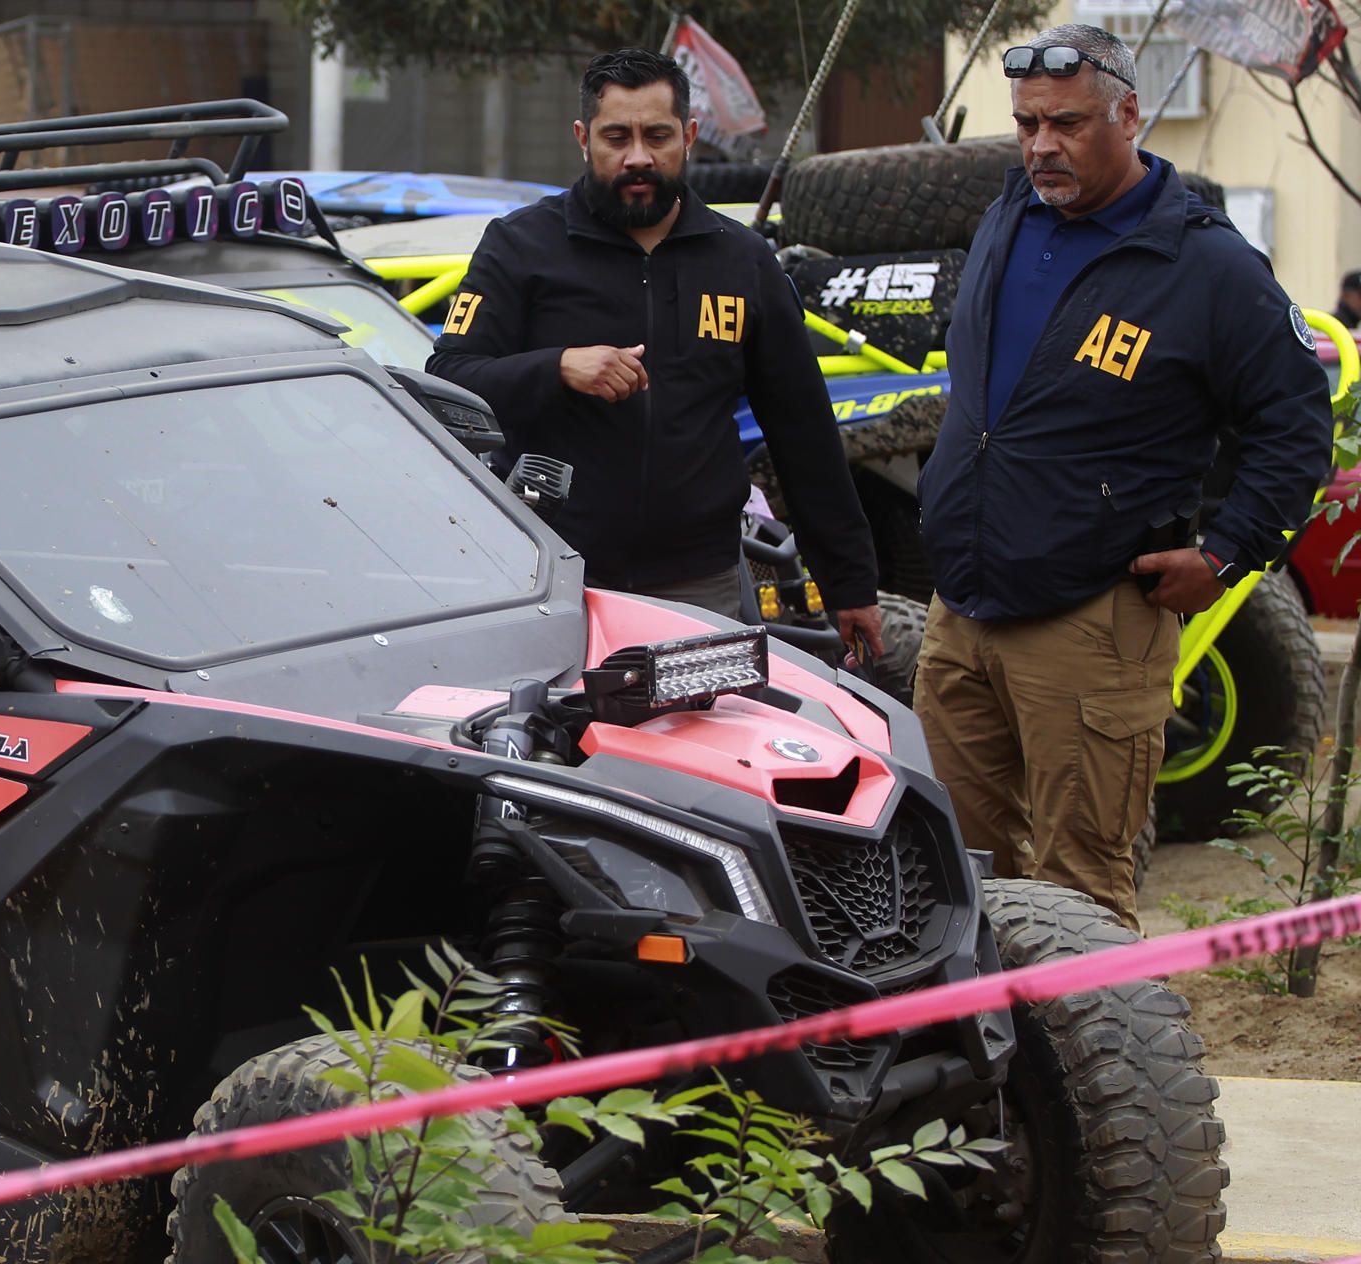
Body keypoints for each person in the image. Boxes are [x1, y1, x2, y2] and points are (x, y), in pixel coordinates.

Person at [915, 23, 1331, 929]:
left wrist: (1226, 554)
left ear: (1130, 115)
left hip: (1091, 623)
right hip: (962, 612)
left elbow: (1297, 428)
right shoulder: (1008, 218)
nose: (1041, 147)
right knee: (956, 886)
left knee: (1081, 898)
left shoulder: (1208, 265)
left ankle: (1086, 1033)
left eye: (1066, 124)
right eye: (1027, 124)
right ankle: (993, 1031)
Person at [425, 48, 881, 652]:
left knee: (702, 719)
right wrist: (558, 368)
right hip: (552, 576)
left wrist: (850, 584)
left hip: (700, 585)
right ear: (583, 138)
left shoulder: (742, 260)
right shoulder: (520, 246)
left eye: (657, 136)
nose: (637, 156)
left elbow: (805, 432)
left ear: (688, 136)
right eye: (617, 137)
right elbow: (448, 380)